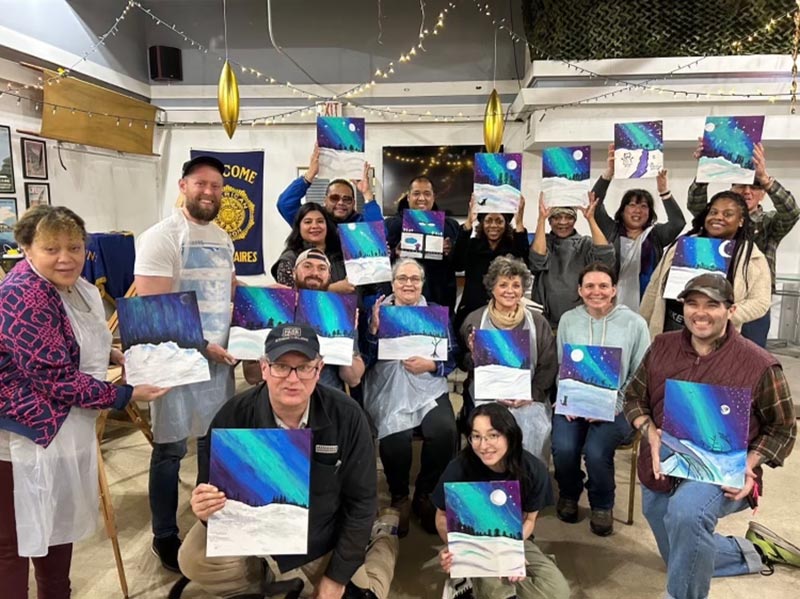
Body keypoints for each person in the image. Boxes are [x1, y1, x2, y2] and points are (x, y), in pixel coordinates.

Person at [0, 206, 167, 599]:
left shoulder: (77, 285)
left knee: (57, 530)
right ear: (26, 248)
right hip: (22, 436)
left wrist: (114, 355)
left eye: (74, 247)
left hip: (65, 430)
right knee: (14, 543)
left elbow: (79, 335)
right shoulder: (21, 295)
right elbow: (53, 376)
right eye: (51, 248)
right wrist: (126, 394)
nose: (65, 257)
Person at [178, 324, 398, 599]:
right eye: (281, 366)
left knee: (366, 591)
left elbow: (362, 501)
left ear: (318, 369)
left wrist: (336, 578)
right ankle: (262, 584)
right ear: (264, 368)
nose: (293, 379)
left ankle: (385, 534)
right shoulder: (232, 416)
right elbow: (208, 487)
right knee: (192, 557)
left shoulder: (349, 417)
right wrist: (204, 506)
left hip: (322, 534)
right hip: (253, 533)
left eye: (304, 367)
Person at [624, 274, 797, 599]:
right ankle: (751, 551)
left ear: (731, 310)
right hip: (662, 464)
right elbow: (632, 397)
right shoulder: (661, 346)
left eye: (712, 305)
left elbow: (783, 428)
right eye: (692, 303)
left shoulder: (758, 364)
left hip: (719, 473)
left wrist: (749, 462)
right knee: (678, 552)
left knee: (687, 515)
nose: (700, 313)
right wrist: (649, 431)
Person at [134, 155, 239, 572]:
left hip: (219, 360)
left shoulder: (223, 238)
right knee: (169, 448)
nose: (209, 192)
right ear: (183, 185)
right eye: (201, 184)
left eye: (216, 186)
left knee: (211, 444)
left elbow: (228, 288)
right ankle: (164, 535)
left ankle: (204, 523)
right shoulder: (161, 237)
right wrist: (204, 345)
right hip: (175, 359)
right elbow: (154, 310)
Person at [551, 262, 650, 536]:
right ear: (580, 290)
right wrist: (568, 398)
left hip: (620, 406)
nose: (597, 291)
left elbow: (641, 374)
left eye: (603, 286)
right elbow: (562, 365)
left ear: (614, 290)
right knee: (564, 446)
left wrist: (612, 405)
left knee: (596, 451)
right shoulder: (569, 320)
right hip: (575, 401)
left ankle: (602, 503)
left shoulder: (635, 323)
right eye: (590, 286)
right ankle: (570, 492)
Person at [433, 403, 570, 599]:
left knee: (558, 592)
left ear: (510, 435)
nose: (483, 445)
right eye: (476, 436)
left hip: (514, 540)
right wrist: (456, 548)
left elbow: (529, 520)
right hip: (472, 544)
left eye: (493, 435)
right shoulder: (459, 468)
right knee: (498, 592)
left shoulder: (534, 470)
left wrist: (510, 553)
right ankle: (468, 580)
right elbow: (441, 515)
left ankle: (475, 582)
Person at [363, 258, 459, 537]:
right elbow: (364, 358)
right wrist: (373, 329)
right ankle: (399, 497)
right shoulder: (379, 310)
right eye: (402, 278)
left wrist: (431, 366)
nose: (408, 284)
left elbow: (452, 358)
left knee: (444, 431)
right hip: (388, 385)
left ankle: (426, 493)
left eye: (414, 279)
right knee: (395, 436)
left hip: (427, 386)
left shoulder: (435, 314)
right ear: (393, 283)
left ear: (422, 283)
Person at [688, 141, 800, 346]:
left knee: (748, 365)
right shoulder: (717, 221)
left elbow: (791, 212)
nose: (747, 191)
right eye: (741, 184)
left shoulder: (770, 223)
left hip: (751, 306)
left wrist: (765, 179)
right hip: (712, 301)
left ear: (763, 192)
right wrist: (706, 170)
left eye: (755, 186)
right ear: (732, 187)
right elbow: (695, 204)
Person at [459, 256, 557, 464]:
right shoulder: (475, 321)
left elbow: (548, 366)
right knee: (490, 431)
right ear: (491, 288)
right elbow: (463, 362)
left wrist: (531, 394)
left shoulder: (538, 322)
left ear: (523, 290)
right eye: (503, 285)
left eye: (516, 285)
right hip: (487, 394)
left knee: (534, 430)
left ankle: (526, 481)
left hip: (528, 396)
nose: (510, 291)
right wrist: (472, 355)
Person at [640, 190, 771, 339]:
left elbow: (760, 302)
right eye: (713, 212)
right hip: (672, 328)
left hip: (718, 333)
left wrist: (726, 314)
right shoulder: (682, 245)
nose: (718, 217)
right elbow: (654, 286)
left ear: (741, 221)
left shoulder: (752, 257)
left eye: (728, 214)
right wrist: (643, 323)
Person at [244, 248, 365, 392]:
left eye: (322, 268)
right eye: (307, 266)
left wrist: (345, 341)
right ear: (294, 272)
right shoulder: (273, 307)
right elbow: (250, 375)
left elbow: (354, 379)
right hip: (279, 400)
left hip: (325, 402)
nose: (314, 273)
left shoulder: (339, 312)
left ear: (329, 276)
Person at [591, 144, 686, 311]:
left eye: (643, 206)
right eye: (632, 205)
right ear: (622, 210)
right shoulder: (611, 230)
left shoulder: (656, 235)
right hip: (611, 302)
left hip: (647, 303)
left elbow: (678, 223)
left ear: (649, 212)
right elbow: (595, 205)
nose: (637, 210)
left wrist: (664, 191)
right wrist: (609, 173)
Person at [529, 192, 615, 329]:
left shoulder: (585, 244)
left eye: (568, 217)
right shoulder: (544, 243)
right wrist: (541, 219)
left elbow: (605, 258)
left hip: (581, 322)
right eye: (557, 217)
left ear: (575, 220)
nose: (563, 222)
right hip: (547, 323)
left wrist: (591, 219)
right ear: (550, 221)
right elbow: (537, 262)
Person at [452, 195, 530, 332]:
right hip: (472, 309)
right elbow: (457, 264)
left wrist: (519, 222)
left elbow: (525, 262)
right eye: (488, 220)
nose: (493, 225)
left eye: (499, 221)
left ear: (506, 225)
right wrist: (469, 222)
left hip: (504, 312)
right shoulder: (472, 245)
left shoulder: (512, 247)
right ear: (482, 224)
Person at [383, 177, 461, 310]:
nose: (421, 198)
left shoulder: (450, 226)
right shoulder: (391, 225)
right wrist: (394, 255)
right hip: (402, 300)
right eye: (416, 193)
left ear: (433, 197)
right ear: (408, 197)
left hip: (440, 299)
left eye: (427, 194)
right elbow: (380, 267)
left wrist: (451, 251)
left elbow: (459, 264)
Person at [277, 144, 383, 225]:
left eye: (347, 199)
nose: (341, 203)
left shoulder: (359, 223)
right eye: (334, 198)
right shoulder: (315, 224)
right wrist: (309, 176)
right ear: (325, 200)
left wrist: (367, 194)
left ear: (353, 203)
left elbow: (379, 235)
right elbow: (285, 204)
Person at [271, 202, 354, 294]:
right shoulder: (289, 260)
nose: (315, 226)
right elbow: (288, 299)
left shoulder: (343, 252)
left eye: (320, 221)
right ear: (299, 227)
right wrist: (332, 289)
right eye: (308, 222)